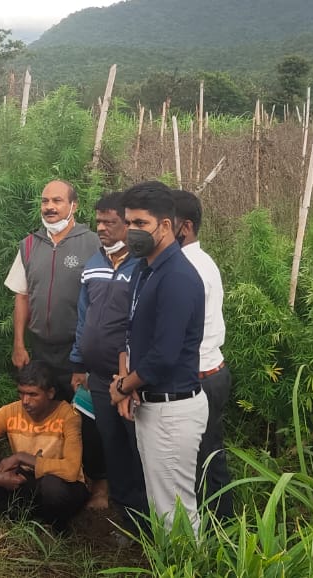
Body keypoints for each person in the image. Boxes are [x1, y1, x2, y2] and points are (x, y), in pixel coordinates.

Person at [110, 181, 208, 533]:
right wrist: (126, 378)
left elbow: (164, 356)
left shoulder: (178, 278)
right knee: (162, 507)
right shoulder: (144, 269)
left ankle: (187, 567)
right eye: (129, 223)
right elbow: (132, 331)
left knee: (176, 514)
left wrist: (123, 385)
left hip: (172, 409)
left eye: (140, 224)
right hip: (150, 403)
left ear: (165, 226)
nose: (131, 232)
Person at [4, 179, 107, 508]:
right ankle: (58, 481)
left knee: (88, 419)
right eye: (45, 200)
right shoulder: (29, 246)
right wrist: (19, 343)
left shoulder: (92, 244)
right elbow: (21, 296)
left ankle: (100, 486)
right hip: (41, 348)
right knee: (49, 416)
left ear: (73, 206)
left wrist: (89, 356)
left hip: (79, 351)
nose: (50, 206)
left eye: (58, 201)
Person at [69, 191, 149, 533]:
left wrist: (129, 378)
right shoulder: (93, 264)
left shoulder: (143, 267)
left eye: (109, 222)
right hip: (98, 379)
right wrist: (77, 363)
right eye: (98, 221)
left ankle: (151, 524)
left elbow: (144, 325)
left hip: (130, 381)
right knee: (112, 447)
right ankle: (129, 522)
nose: (101, 228)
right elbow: (83, 317)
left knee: (139, 450)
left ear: (127, 225)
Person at [0, 361, 89, 532]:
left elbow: (71, 470)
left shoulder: (68, 415)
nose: (25, 401)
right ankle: (15, 515)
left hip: (64, 488)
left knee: (51, 485)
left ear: (50, 393)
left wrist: (22, 457)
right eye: (21, 393)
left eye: (32, 394)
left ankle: (57, 526)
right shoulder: (10, 412)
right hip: (25, 483)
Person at [171, 188, 233, 521]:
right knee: (201, 456)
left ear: (187, 226)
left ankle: (222, 528)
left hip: (201, 376)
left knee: (207, 458)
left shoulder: (189, 268)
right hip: (208, 371)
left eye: (168, 222)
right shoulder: (191, 262)